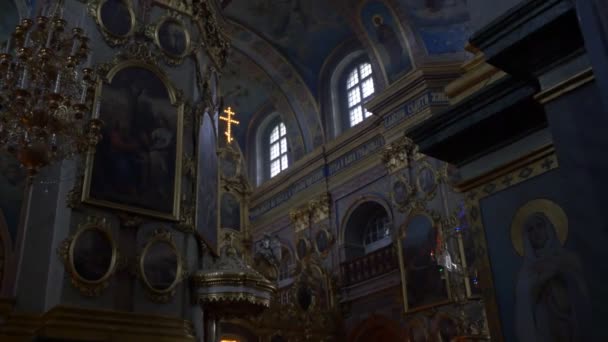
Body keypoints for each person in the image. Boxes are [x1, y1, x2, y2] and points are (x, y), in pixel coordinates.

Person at [514, 212, 591, 342]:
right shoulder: (527, 271)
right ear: (527, 237)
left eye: (539, 226)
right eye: (530, 229)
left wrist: (557, 268)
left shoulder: (568, 258)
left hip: (572, 321)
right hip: (545, 327)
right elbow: (525, 304)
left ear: (548, 228)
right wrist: (544, 277)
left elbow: (583, 289)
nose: (536, 232)